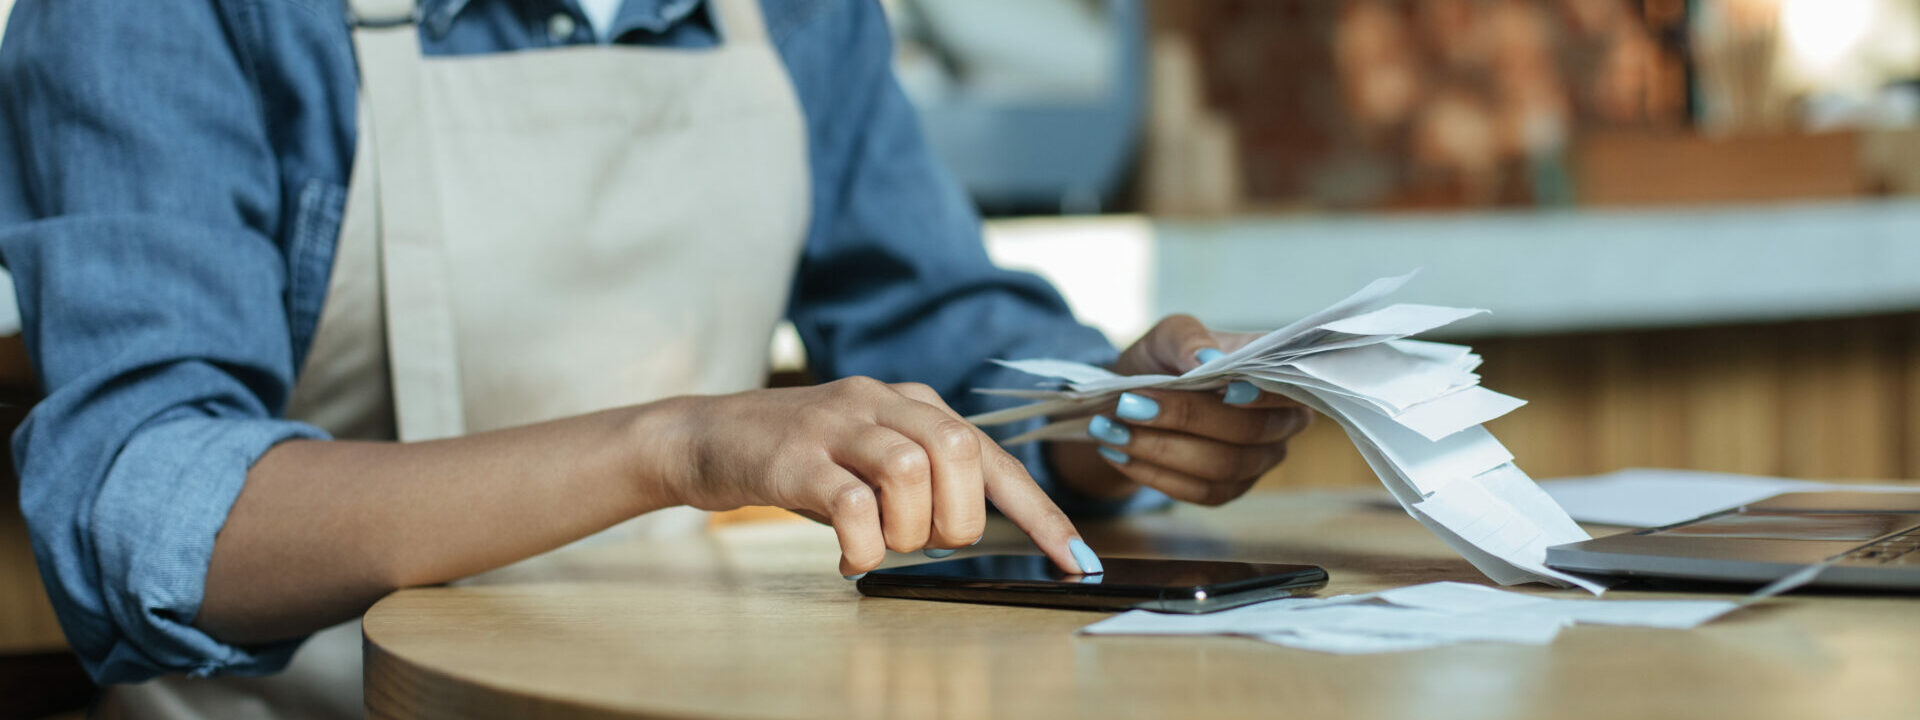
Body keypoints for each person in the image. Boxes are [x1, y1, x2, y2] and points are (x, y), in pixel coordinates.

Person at [0, 0, 1309, 715]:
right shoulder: (160, 17)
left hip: (670, 694)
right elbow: (153, 514)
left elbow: (949, 343)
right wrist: (680, 445)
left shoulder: (793, 18)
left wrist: (1117, 415)